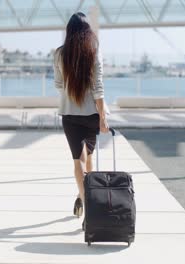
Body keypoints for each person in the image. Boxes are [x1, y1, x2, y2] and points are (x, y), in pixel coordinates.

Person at [53, 12, 110, 222]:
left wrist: (71, 93)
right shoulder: (93, 51)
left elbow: (58, 84)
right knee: (89, 158)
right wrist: (103, 117)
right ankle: (85, 199)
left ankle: (83, 198)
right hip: (91, 114)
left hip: (69, 113)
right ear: (87, 31)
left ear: (69, 32)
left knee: (78, 159)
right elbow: (98, 87)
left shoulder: (59, 54)